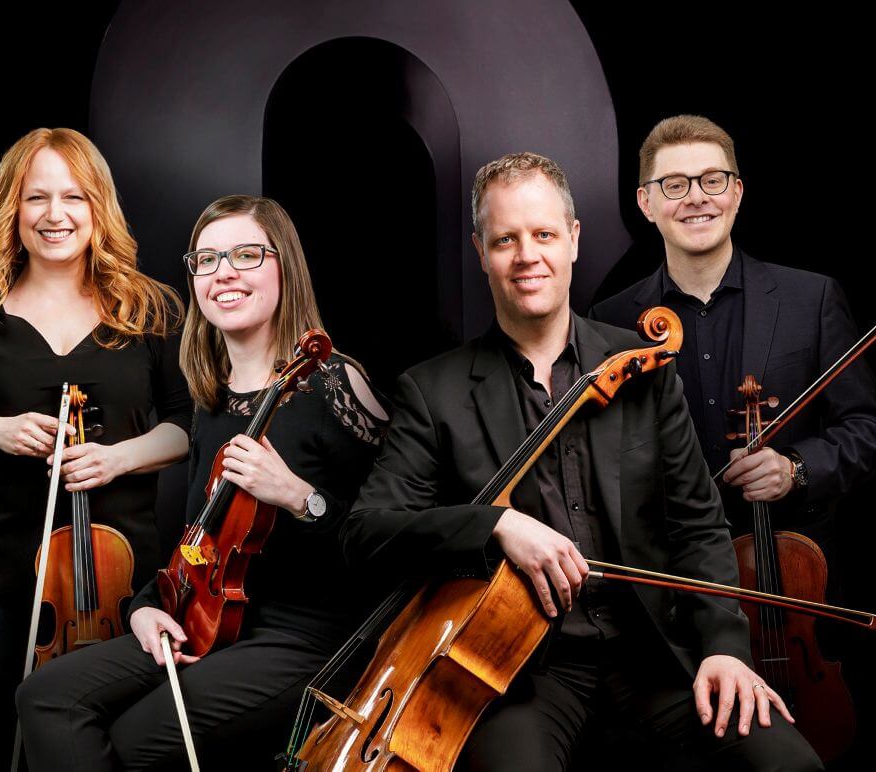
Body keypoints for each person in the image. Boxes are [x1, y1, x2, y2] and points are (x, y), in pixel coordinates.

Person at [341, 152, 822, 769]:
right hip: (518, 670)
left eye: (542, 234)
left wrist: (724, 647)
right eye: (505, 239)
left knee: (787, 764)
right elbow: (366, 532)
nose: (526, 256)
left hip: (652, 653)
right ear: (480, 250)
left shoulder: (643, 368)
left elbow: (698, 526)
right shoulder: (431, 391)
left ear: (572, 239)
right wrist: (495, 525)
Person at [15, 194, 390, 771]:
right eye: (207, 260)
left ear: (283, 265)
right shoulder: (211, 396)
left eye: (245, 254)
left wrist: (296, 495)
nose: (225, 274)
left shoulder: (335, 384)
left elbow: (392, 542)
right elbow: (198, 536)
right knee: (44, 695)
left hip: (305, 638)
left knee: (135, 738)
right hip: (207, 616)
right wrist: (144, 606)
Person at [0, 127, 193, 769]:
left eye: (74, 197)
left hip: (119, 580)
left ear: (99, 208)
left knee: (105, 744)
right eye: (37, 198)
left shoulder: (147, 310)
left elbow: (185, 425)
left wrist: (120, 456)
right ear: (14, 207)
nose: (55, 216)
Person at [590, 114, 876, 564]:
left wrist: (796, 468)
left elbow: (869, 430)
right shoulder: (609, 321)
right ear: (646, 203)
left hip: (791, 569)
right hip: (670, 578)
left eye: (712, 181)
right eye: (674, 185)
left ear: (737, 192)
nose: (696, 198)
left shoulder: (811, 299)